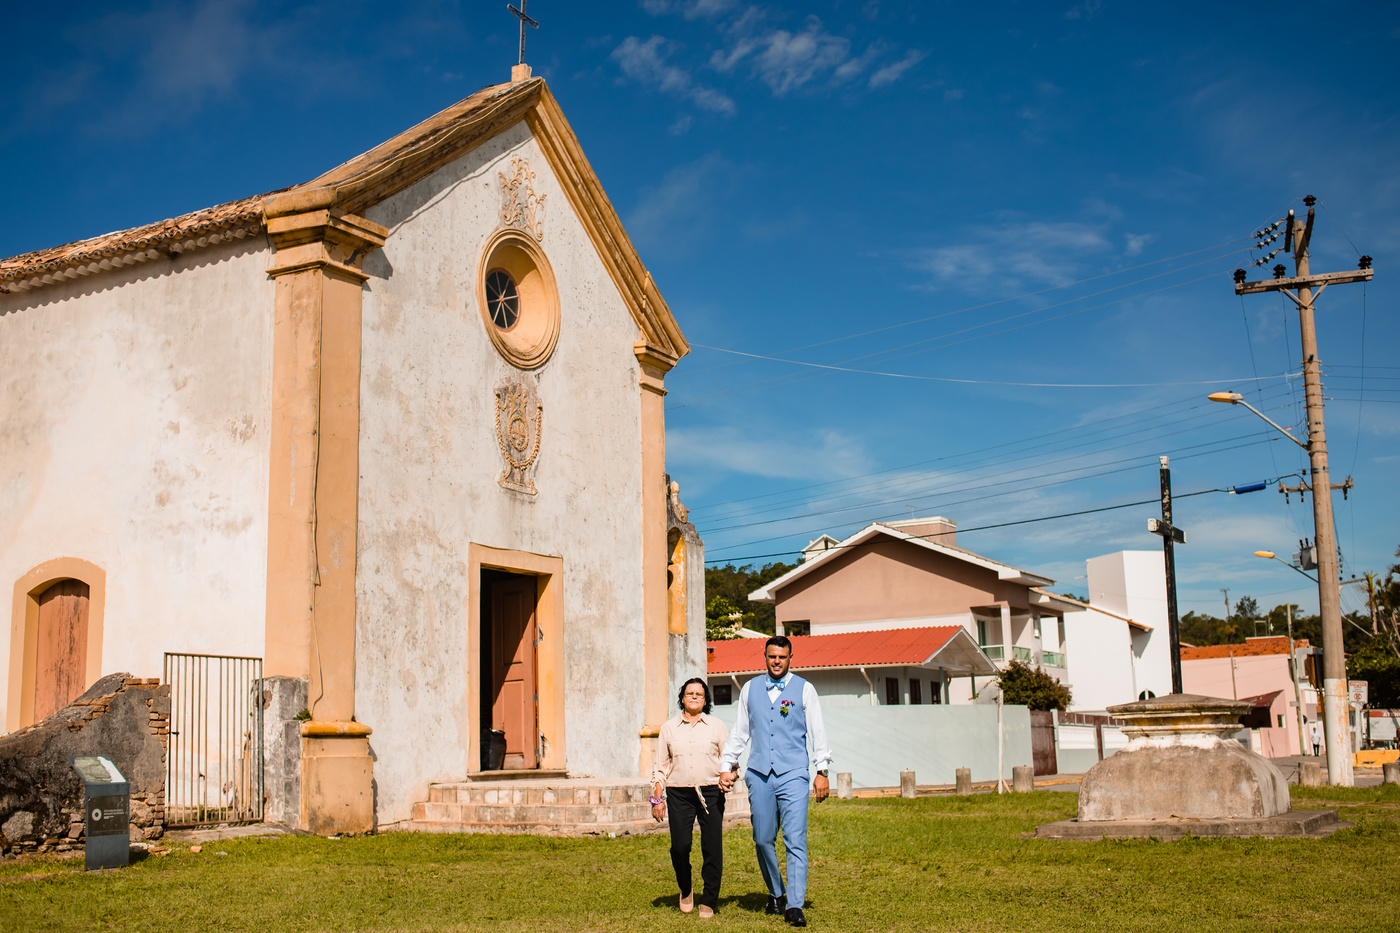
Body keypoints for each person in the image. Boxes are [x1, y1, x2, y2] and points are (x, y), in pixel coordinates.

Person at [719, 636, 831, 929]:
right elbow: (740, 732)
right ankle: (776, 892)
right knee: (762, 838)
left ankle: (794, 905)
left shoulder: (805, 689)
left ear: (791, 657)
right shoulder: (749, 688)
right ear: (765, 657)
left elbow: (817, 731)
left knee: (795, 839)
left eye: (782, 656)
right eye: (772, 656)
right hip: (759, 773)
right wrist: (726, 764)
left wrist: (822, 770)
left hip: (793, 773)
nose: (777, 661)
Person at [652, 677, 730, 919]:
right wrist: (657, 798)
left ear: (705, 700)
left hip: (711, 791)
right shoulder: (668, 728)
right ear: (682, 698)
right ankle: (686, 889)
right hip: (679, 793)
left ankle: (709, 899)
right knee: (679, 847)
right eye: (689, 693)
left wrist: (729, 776)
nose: (694, 696)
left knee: (712, 847)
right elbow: (660, 767)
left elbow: (729, 760)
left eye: (699, 694)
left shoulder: (717, 726)